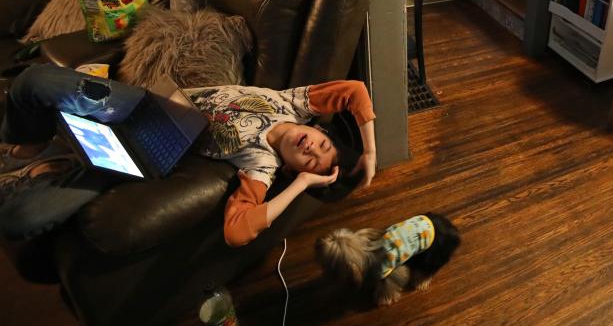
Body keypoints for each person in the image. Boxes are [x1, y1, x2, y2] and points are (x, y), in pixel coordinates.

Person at [0, 63, 377, 246]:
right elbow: (355, 90)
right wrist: (371, 152)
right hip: (139, 105)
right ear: (318, 128)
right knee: (34, 81)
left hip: (143, 153)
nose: (311, 149)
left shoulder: (262, 166)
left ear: (295, 170)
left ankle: (56, 164)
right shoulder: (292, 103)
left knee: (16, 219)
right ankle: (30, 149)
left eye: (311, 162)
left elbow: (237, 232)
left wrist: (303, 185)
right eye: (321, 143)